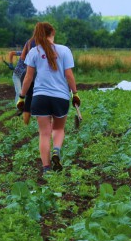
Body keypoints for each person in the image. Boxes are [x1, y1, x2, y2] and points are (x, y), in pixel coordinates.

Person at [17, 22, 80, 176]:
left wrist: (21, 97)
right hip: (61, 98)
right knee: (58, 129)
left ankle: (46, 169)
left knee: (44, 133)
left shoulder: (33, 52)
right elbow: (69, 75)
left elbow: (28, 78)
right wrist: (75, 93)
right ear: (52, 32)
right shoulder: (65, 50)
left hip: (40, 98)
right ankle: (56, 151)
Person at [11, 37, 37, 125]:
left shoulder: (35, 57)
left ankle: (29, 111)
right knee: (19, 92)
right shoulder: (24, 54)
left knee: (29, 94)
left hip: (26, 77)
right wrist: (11, 64)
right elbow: (12, 53)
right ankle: (19, 110)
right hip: (18, 76)